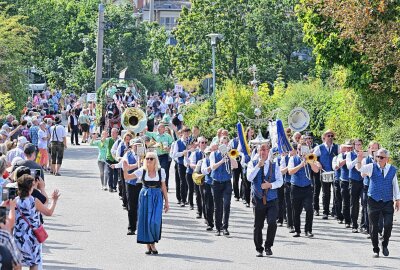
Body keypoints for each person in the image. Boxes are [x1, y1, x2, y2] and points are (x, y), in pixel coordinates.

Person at [356, 148, 400, 257]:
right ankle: (375, 249)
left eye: (381, 157)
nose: (379, 159)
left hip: (387, 201)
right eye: (377, 157)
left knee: (388, 224)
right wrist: (359, 159)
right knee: (373, 226)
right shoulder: (372, 167)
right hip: (373, 200)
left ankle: (384, 244)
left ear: (387, 159)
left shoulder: (392, 169)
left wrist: (397, 199)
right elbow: (359, 169)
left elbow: (395, 184)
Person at [123, 152, 169, 254]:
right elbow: (127, 177)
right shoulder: (142, 171)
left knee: (155, 221)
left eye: (151, 159)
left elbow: (163, 187)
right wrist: (125, 169)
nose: (148, 160)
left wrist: (167, 202)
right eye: (147, 158)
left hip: (157, 195)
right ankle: (150, 244)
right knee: (146, 220)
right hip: (145, 195)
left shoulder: (161, 171)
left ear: (155, 160)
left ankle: (151, 242)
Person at [14, 174, 60, 269]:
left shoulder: (14, 201)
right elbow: (48, 212)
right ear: (30, 188)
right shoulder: (34, 201)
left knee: (17, 262)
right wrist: (54, 201)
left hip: (18, 235)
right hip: (32, 237)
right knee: (34, 263)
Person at [247, 142, 283, 257]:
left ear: (268, 151)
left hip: (272, 199)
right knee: (258, 225)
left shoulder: (275, 165)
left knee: (272, 222)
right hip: (258, 199)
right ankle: (259, 248)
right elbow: (249, 178)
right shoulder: (252, 164)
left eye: (265, 149)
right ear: (258, 151)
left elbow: (280, 181)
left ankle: (268, 246)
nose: (263, 152)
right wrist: (258, 165)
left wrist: (270, 185)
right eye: (261, 150)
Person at [288, 142, 321, 238]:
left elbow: (316, 170)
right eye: (299, 149)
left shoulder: (311, 157)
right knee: (296, 210)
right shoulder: (293, 158)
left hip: (307, 187)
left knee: (310, 209)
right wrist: (300, 165)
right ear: (297, 150)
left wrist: (310, 162)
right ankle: (297, 230)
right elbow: (290, 171)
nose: (301, 151)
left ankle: (308, 230)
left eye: (303, 149)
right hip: (296, 187)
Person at [210, 136, 235, 236]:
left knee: (226, 205)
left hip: (227, 182)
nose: (223, 144)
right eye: (222, 142)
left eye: (225, 143)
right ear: (219, 144)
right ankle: (218, 227)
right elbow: (212, 167)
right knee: (218, 206)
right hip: (216, 182)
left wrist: (229, 156)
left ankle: (225, 227)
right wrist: (222, 161)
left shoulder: (230, 154)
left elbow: (236, 165)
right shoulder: (213, 154)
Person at [313, 129, 339, 219]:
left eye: (332, 136)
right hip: (324, 172)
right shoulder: (319, 147)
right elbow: (311, 157)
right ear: (324, 137)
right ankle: (325, 212)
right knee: (326, 193)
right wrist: (317, 163)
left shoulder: (336, 147)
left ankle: (335, 211)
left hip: (335, 173)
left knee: (336, 193)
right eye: (329, 136)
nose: (331, 137)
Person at [145, 123, 174, 189]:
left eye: (160, 127)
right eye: (158, 127)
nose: (158, 128)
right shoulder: (154, 134)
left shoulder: (168, 136)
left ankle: (165, 186)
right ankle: (158, 185)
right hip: (156, 156)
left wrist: (169, 147)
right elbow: (146, 133)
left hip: (164, 155)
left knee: (164, 170)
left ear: (163, 129)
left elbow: (172, 144)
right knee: (156, 170)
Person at [345, 138, 365, 233]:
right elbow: (349, 166)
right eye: (356, 145)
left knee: (364, 202)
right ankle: (354, 224)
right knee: (354, 203)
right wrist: (357, 159)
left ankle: (363, 225)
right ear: (353, 146)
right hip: (353, 180)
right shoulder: (350, 154)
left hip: (363, 180)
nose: (358, 146)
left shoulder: (364, 154)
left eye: (360, 144)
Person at [172, 128, 191, 207]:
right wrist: (182, 153)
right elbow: (174, 154)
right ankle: (183, 199)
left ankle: (189, 200)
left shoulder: (190, 141)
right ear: (182, 133)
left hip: (189, 163)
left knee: (189, 181)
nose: (187, 134)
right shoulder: (177, 142)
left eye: (188, 133)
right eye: (185, 132)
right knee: (183, 181)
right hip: (181, 163)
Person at [188, 137, 207, 218]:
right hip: (198, 176)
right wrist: (199, 166)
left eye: (205, 142)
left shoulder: (209, 152)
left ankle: (207, 215)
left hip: (207, 176)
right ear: (198, 144)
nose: (204, 144)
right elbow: (191, 164)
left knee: (206, 195)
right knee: (198, 195)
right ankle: (199, 211)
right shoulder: (195, 153)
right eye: (202, 142)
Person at [280, 146, 297, 233]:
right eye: (292, 150)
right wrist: (289, 167)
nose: (294, 151)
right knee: (289, 205)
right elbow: (281, 172)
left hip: (298, 184)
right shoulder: (285, 158)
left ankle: (296, 223)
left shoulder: (299, 158)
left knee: (296, 206)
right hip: (288, 183)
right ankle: (290, 224)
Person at [337, 141, 353, 227]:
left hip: (353, 181)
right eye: (347, 147)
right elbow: (339, 164)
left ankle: (352, 219)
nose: (349, 149)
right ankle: (347, 221)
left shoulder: (355, 155)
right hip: (344, 181)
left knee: (353, 202)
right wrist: (347, 157)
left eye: (351, 147)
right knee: (345, 201)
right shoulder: (341, 155)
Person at [201, 145, 216, 231]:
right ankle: (210, 223)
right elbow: (203, 170)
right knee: (209, 204)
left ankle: (218, 223)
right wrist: (211, 167)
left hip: (217, 183)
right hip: (208, 183)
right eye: (207, 153)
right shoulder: (205, 161)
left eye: (210, 153)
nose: (209, 155)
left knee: (217, 205)